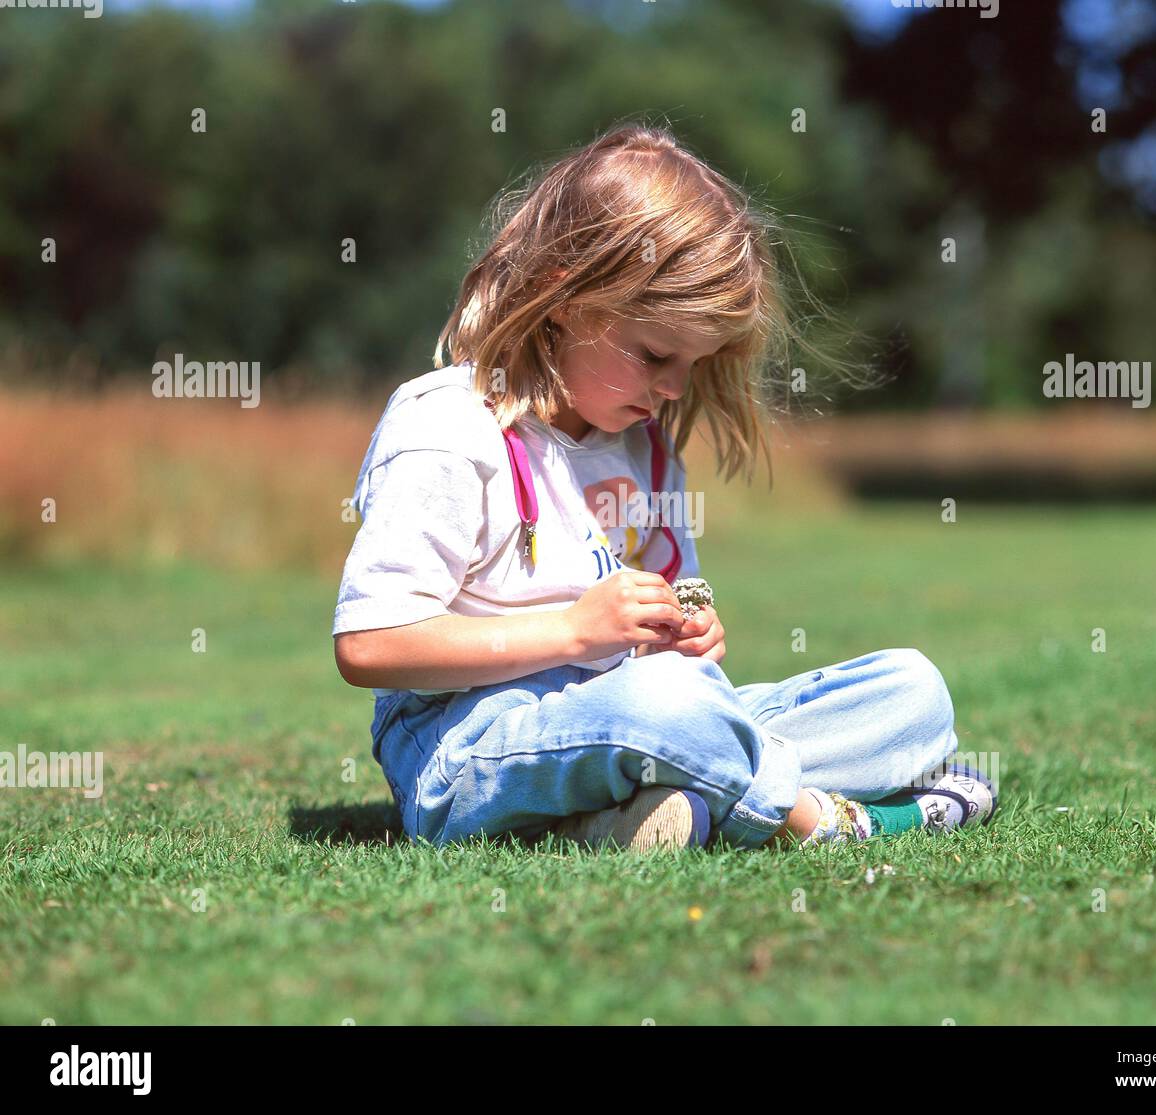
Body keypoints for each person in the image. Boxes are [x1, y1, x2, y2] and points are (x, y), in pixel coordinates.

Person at [332, 121, 996, 851]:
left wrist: (688, 636)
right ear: (565, 295)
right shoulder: (449, 425)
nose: (674, 388)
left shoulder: (644, 451)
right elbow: (370, 644)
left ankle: (629, 815)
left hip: (637, 712)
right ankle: (819, 818)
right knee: (668, 708)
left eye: (694, 362)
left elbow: (671, 649)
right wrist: (572, 632)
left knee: (913, 693)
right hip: (470, 742)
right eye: (656, 353)